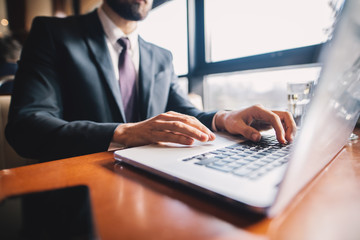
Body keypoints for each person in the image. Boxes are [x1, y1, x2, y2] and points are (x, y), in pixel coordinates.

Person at [5, 0, 296, 162]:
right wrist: (127, 133)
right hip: (76, 202)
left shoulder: (161, 56)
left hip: (153, 187)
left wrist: (226, 117)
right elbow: (26, 127)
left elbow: (187, 113)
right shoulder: (52, 34)